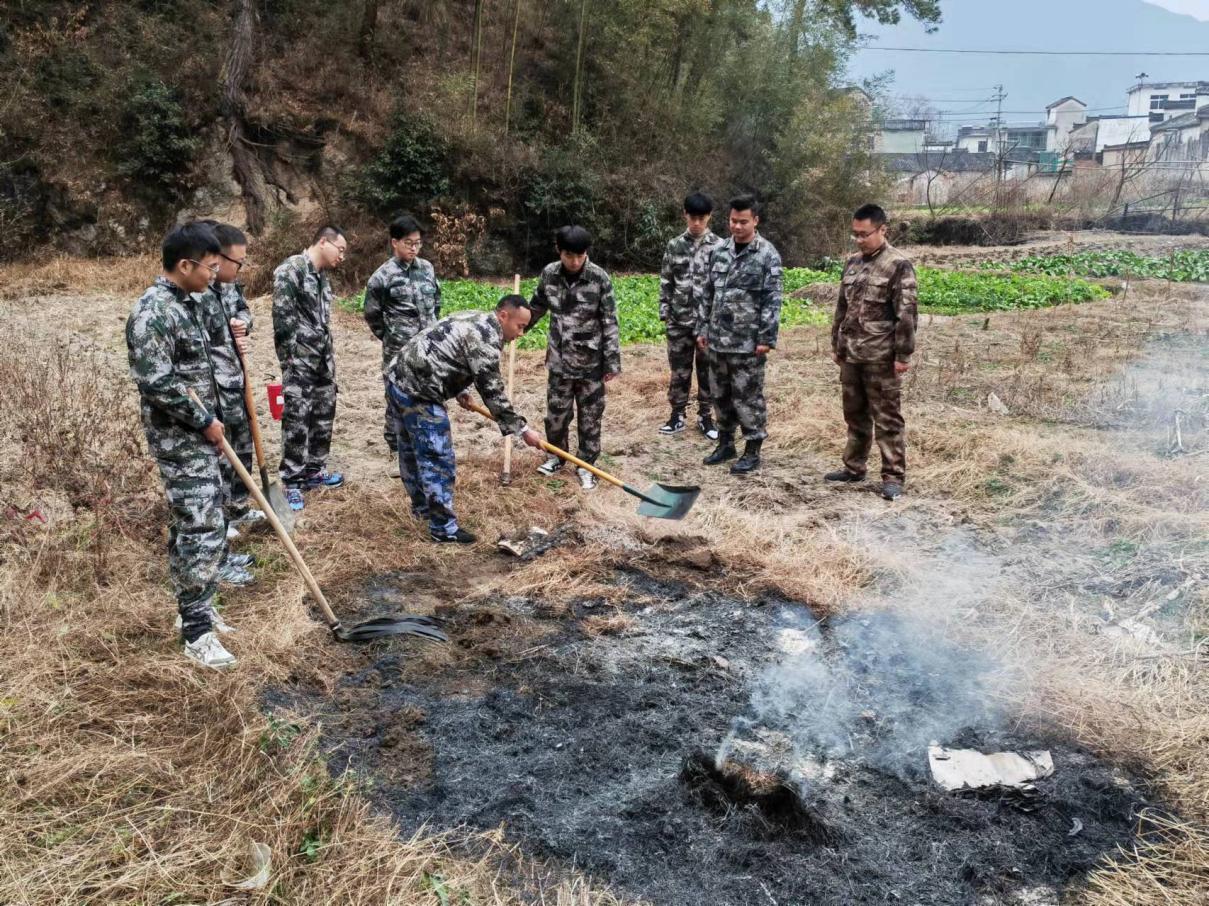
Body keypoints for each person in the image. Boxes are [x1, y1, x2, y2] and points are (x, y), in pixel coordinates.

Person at [126, 222, 238, 669]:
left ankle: (198, 609)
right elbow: (157, 383)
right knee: (201, 526)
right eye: (210, 267)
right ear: (186, 265)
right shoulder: (154, 312)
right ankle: (197, 633)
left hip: (198, 433)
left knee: (196, 523)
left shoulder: (185, 305)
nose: (215, 274)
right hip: (179, 437)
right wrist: (203, 420)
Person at [385, 296, 542, 543]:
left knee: (410, 451)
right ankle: (443, 529)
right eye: (520, 326)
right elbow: (493, 391)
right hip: (420, 392)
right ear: (503, 316)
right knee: (438, 459)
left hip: (397, 379)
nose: (521, 333)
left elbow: (446, 351)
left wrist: (459, 390)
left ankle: (422, 510)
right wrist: (523, 430)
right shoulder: (486, 339)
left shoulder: (473, 316)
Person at [827, 203, 918, 501]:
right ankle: (854, 467)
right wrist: (836, 345)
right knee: (854, 414)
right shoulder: (852, 263)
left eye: (864, 234)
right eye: (855, 235)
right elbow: (842, 308)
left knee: (887, 418)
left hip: (881, 357)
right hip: (852, 354)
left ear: (882, 230)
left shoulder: (898, 265)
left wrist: (903, 356)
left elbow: (906, 313)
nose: (859, 240)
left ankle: (893, 476)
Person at [527, 225, 621, 490]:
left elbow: (610, 321)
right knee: (556, 416)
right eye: (569, 255)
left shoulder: (598, 278)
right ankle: (557, 456)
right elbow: (536, 307)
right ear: (559, 251)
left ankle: (586, 465)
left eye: (580, 256)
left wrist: (612, 361)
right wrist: (518, 327)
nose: (575, 261)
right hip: (559, 360)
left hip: (591, 364)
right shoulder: (549, 274)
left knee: (590, 417)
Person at [696, 195, 783, 474]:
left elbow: (772, 299)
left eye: (743, 221)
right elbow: (708, 293)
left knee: (748, 397)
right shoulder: (719, 251)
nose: (736, 226)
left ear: (755, 221)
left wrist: (766, 338)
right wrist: (703, 328)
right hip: (718, 340)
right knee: (719, 394)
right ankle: (725, 443)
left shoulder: (767, 255)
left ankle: (752, 449)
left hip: (747, 343)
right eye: (733, 220)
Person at [271, 225, 347, 510]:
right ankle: (292, 480)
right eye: (340, 249)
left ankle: (314, 470)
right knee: (297, 418)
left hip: (322, 360)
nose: (342, 256)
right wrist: (290, 362)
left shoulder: (322, 278)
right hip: (299, 361)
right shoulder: (291, 270)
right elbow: (282, 320)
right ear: (323, 242)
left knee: (323, 412)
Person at [196, 221, 262, 542]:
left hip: (236, 381)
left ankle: (238, 504)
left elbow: (245, 312)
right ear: (217, 259)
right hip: (213, 388)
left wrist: (242, 324)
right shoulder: (199, 294)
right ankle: (220, 514)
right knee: (222, 453)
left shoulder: (230, 288)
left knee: (243, 445)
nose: (240, 268)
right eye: (237, 262)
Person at [363, 214, 442, 460]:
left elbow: (436, 302)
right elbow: (372, 313)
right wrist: (391, 336)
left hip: (427, 348)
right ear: (394, 242)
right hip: (398, 349)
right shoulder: (382, 276)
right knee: (397, 397)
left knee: (428, 391)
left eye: (418, 242)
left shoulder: (427, 269)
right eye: (409, 242)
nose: (414, 248)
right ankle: (396, 446)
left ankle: (425, 440)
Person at [659, 192, 721, 439]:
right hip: (679, 320)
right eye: (692, 217)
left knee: (708, 372)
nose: (696, 223)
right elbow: (666, 280)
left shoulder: (719, 246)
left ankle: (706, 417)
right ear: (685, 215)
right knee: (679, 371)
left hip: (708, 322)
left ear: (709, 217)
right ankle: (677, 415)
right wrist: (665, 312)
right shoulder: (674, 245)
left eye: (701, 218)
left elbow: (721, 284)